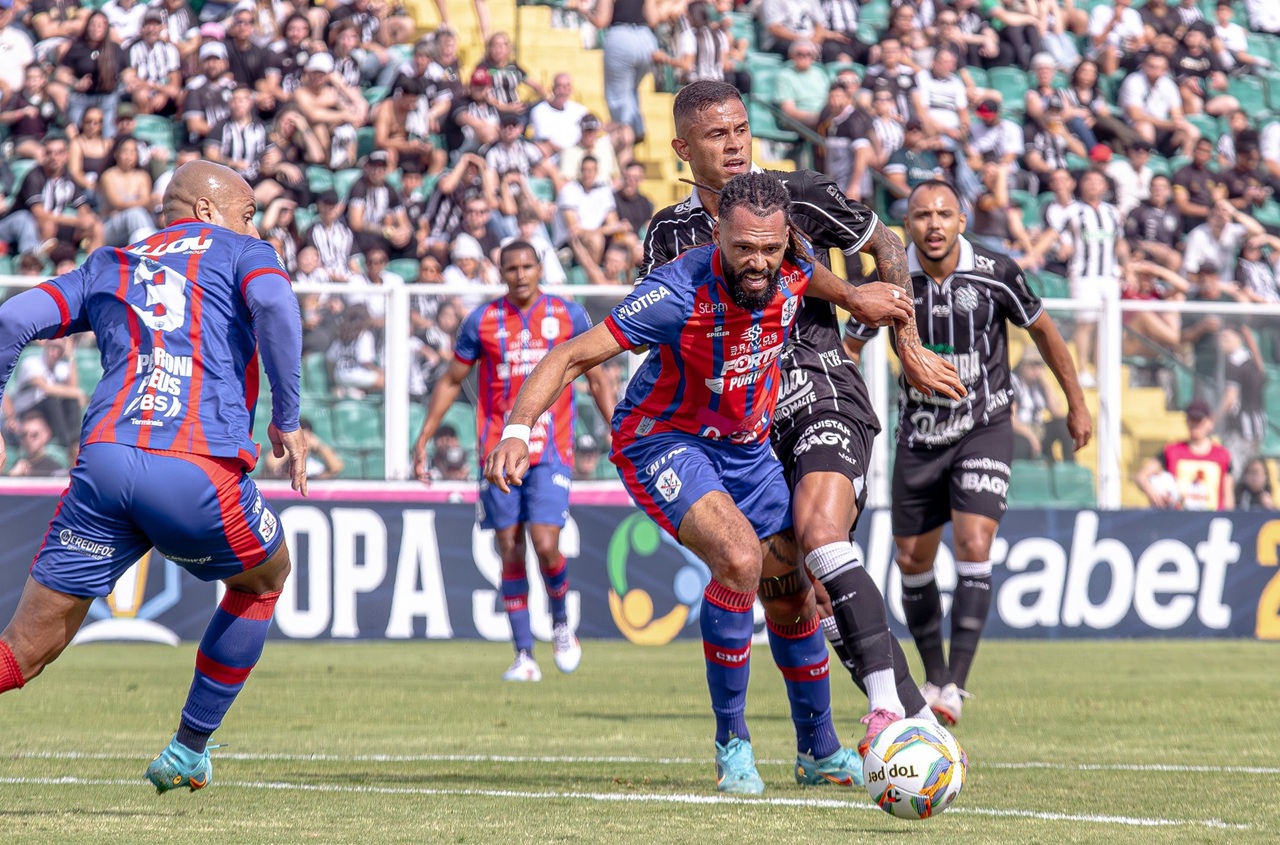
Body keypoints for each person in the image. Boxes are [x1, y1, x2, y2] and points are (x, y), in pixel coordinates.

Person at [487, 172, 962, 794]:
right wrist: (518, 429)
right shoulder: (674, 291)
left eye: (770, 248)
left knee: (793, 593)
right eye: (743, 249)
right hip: (663, 439)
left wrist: (852, 297)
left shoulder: (790, 267)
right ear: (718, 236)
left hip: (746, 446)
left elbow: (809, 275)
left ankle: (818, 751)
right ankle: (732, 744)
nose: (758, 262)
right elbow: (572, 355)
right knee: (740, 558)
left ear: (786, 241)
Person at [640, 81, 959, 762]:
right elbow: (666, 325)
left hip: (816, 386)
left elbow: (887, 245)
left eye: (740, 129)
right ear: (683, 148)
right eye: (716, 134)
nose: (734, 144)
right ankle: (895, 726)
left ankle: (889, 713)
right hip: (742, 423)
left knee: (820, 536)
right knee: (797, 593)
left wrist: (907, 346)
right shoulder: (668, 232)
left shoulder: (801, 193)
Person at [0, 161, 308, 794]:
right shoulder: (242, 252)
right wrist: (288, 417)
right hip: (193, 465)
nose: (255, 226)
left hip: (105, 463)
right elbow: (276, 302)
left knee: (24, 651)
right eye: (248, 213)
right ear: (206, 210)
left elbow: (12, 320)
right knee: (263, 580)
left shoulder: (109, 264)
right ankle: (190, 747)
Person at [846, 180, 1091, 726]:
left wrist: (1076, 403)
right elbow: (850, 346)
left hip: (984, 425)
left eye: (943, 214)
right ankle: (934, 678)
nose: (933, 225)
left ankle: (954, 685)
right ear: (907, 225)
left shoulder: (996, 271)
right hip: (918, 434)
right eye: (921, 216)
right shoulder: (890, 280)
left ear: (961, 221)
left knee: (975, 541)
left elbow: (1046, 333)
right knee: (912, 560)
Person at [413, 241, 616, 681]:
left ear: (539, 268)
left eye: (527, 266)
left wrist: (616, 427)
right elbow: (451, 379)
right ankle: (524, 654)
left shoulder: (568, 315)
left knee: (545, 543)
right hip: (497, 452)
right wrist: (424, 436)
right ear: (500, 272)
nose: (520, 274)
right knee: (509, 548)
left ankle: (560, 623)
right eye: (511, 268)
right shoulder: (482, 320)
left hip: (550, 449)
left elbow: (598, 378)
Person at [1136, 400, 1233, 510]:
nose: (1194, 424)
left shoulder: (1222, 455)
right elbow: (1141, 476)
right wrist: (1154, 494)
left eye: (1198, 420)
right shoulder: (1172, 451)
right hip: (1180, 518)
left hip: (1212, 517)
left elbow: (1228, 498)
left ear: (1208, 423)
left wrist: (1228, 515)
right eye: (1191, 419)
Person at [7, 411, 67, 478]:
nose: (28, 439)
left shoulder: (54, 469)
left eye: (34, 435)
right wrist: (12, 475)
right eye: (24, 435)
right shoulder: (16, 465)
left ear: (46, 435)